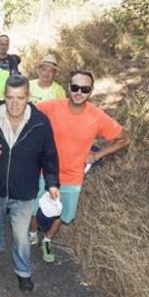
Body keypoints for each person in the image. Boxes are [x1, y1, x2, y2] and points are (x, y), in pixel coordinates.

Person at [30, 70, 130, 261]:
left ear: (90, 92)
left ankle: (48, 241)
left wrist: (98, 154)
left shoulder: (97, 116)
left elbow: (124, 139)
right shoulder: (51, 107)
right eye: (75, 87)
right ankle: (33, 235)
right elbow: (25, 113)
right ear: (68, 87)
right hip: (45, 171)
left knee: (60, 213)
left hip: (73, 177)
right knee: (35, 208)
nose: (79, 92)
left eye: (84, 89)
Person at [0, 74, 59, 292]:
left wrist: (52, 183)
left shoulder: (40, 123)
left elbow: (49, 157)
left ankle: (23, 271)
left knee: (21, 236)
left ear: (28, 97)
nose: (14, 103)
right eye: (10, 97)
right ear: (4, 96)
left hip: (23, 191)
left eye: (20, 98)